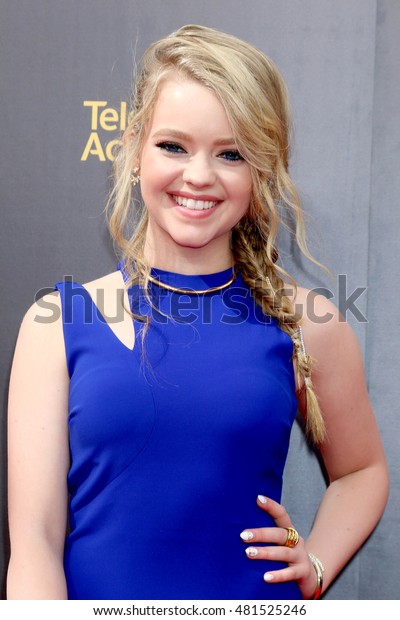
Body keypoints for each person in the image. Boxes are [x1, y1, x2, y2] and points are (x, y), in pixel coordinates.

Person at [7, 24, 388, 600]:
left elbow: (363, 472)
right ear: (135, 148)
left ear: (261, 170)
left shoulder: (307, 323)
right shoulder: (56, 323)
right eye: (173, 146)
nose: (199, 176)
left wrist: (315, 562)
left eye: (230, 153)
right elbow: (33, 542)